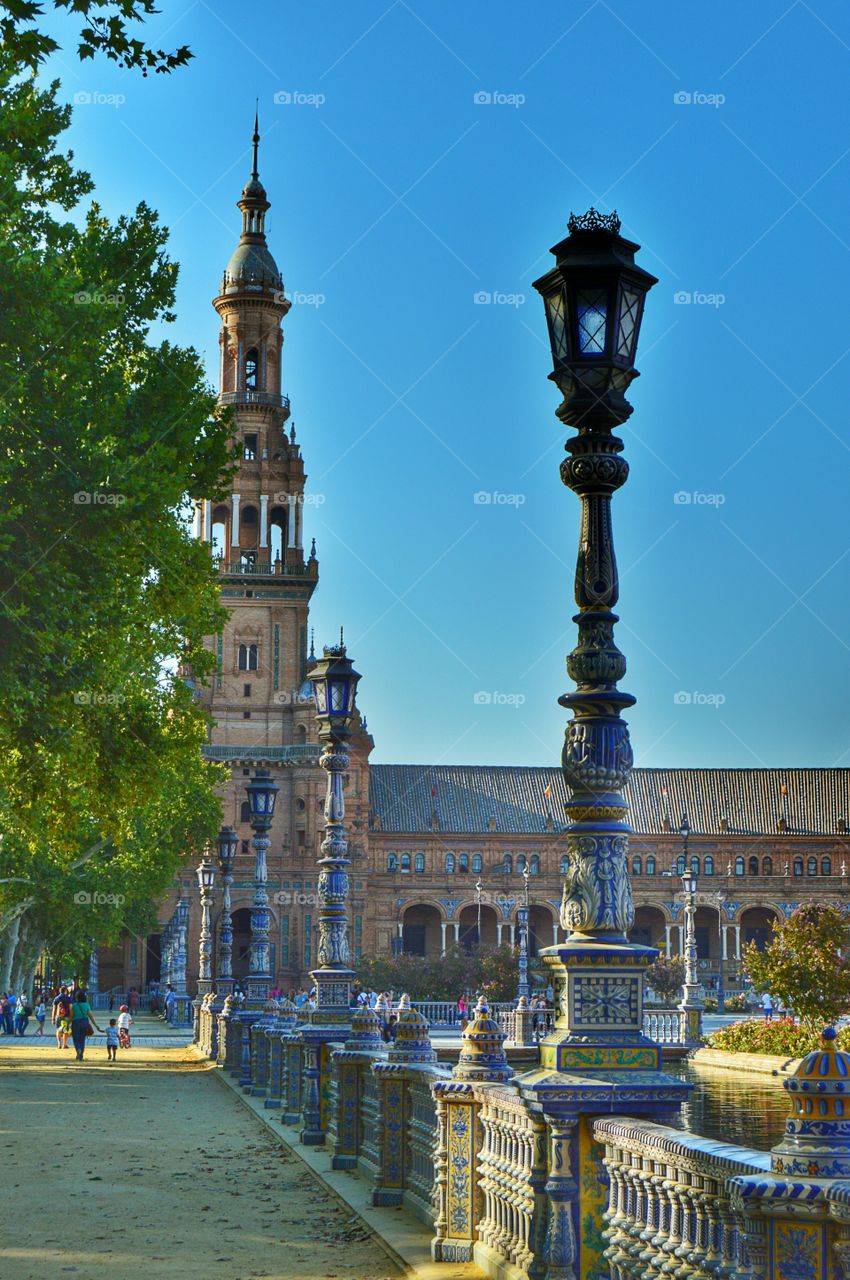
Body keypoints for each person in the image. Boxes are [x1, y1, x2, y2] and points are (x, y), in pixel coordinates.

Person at [69, 988, 102, 1061]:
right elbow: (90, 1016)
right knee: (82, 1039)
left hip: (76, 1023)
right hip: (85, 1022)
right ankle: (81, 1054)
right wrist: (95, 1025)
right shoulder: (87, 1005)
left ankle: (78, 1050)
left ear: (76, 997)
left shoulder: (74, 1006)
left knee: (76, 1039)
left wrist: (68, 1024)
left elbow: (71, 1016)